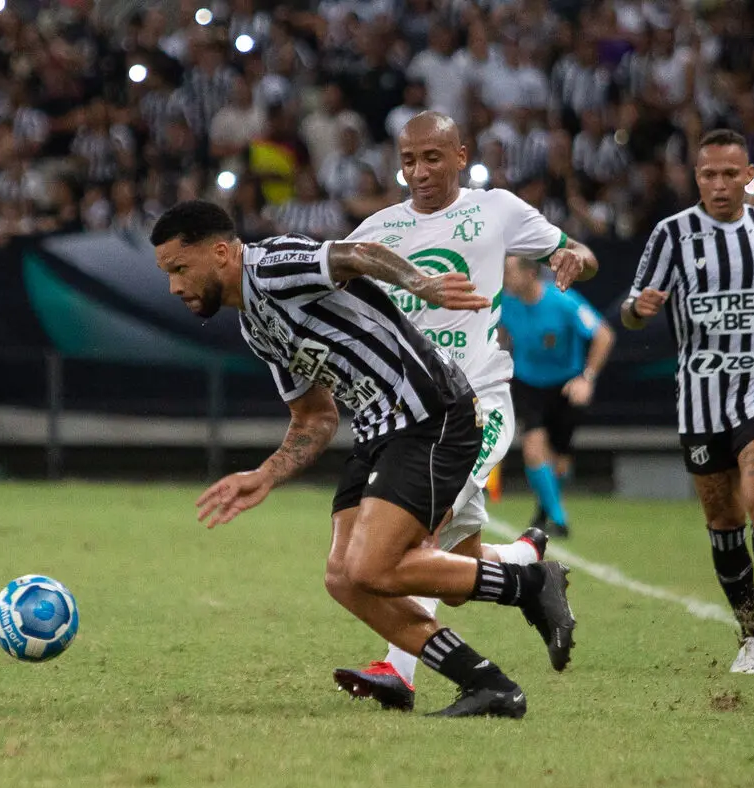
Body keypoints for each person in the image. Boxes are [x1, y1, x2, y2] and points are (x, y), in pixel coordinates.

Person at [151, 200, 576, 719]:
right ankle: (488, 683)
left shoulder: (272, 265)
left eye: (179, 268)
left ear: (220, 252)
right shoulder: (255, 325)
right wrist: (265, 475)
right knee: (344, 578)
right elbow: (314, 417)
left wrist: (420, 283)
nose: (174, 287)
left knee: (374, 565)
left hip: (429, 412)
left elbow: (358, 253)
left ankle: (530, 584)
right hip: (379, 430)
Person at [330, 111, 599, 711]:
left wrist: (575, 257)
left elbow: (577, 250)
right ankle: (528, 562)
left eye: (432, 158)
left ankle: (399, 671)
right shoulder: (379, 230)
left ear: (460, 155)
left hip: (477, 404)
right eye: (408, 161)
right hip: (410, 417)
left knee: (411, 536)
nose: (420, 172)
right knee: (457, 568)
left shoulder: (496, 210)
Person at [620, 129, 754, 675]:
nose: (720, 184)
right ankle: (752, 634)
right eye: (709, 174)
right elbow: (631, 309)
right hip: (700, 396)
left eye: (731, 174)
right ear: (696, 178)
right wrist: (639, 309)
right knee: (724, 521)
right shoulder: (672, 233)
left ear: (749, 175)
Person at [501, 256, 616, 537]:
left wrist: (587, 378)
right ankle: (559, 519)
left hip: (565, 385)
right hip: (528, 383)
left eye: (509, 272)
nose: (503, 277)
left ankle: (543, 512)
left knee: (559, 459)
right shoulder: (505, 303)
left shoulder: (564, 301)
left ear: (530, 273)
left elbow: (604, 335)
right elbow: (502, 335)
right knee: (533, 447)